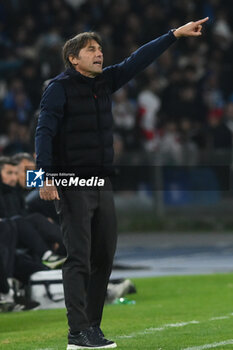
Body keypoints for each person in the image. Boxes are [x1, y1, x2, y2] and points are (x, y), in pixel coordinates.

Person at [35, 18, 209, 349]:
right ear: (73, 58)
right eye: (91, 50)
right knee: (79, 258)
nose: (99, 54)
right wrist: (44, 174)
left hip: (101, 182)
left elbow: (137, 60)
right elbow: (44, 132)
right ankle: (76, 332)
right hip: (71, 182)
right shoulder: (58, 88)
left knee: (104, 257)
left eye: (100, 49)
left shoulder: (104, 83)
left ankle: (93, 328)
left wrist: (173, 35)